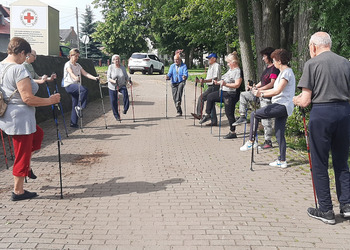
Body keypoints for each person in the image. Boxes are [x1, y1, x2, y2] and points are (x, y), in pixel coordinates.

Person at [293, 32, 350, 225]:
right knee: (342, 161)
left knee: (319, 162)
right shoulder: (345, 63)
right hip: (344, 113)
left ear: (314, 46)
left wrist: (297, 100)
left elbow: (306, 100)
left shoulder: (313, 64)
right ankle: (347, 205)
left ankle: (325, 209)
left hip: (322, 113)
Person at [0, 37, 61, 201]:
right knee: (22, 154)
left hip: (9, 116)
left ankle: (26, 168)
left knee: (38, 135)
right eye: (25, 55)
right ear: (20, 53)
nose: (25, 59)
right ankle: (18, 191)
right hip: (20, 119)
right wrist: (50, 101)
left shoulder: (1, 66)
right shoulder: (18, 69)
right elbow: (27, 98)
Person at [240, 49, 295, 169]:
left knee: (255, 115)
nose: (273, 63)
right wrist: (260, 91)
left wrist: (261, 94)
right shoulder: (283, 72)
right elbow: (273, 89)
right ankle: (282, 160)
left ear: (279, 61)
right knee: (279, 133)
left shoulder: (286, 73)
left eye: (274, 60)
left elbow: (277, 91)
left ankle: (251, 141)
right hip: (282, 105)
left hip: (282, 105)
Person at [233, 47, 279, 149]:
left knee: (266, 119)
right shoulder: (267, 68)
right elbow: (262, 82)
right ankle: (242, 116)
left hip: (267, 96)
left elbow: (272, 83)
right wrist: (254, 87)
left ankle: (268, 141)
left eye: (264, 56)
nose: (263, 58)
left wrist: (260, 90)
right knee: (244, 95)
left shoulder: (274, 68)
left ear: (269, 56)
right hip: (259, 93)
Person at [199, 52, 242, 139]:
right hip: (223, 92)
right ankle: (207, 114)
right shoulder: (230, 70)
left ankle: (232, 132)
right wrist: (218, 82)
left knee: (229, 113)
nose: (228, 64)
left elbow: (237, 85)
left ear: (233, 62)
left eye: (229, 62)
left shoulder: (237, 71)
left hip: (231, 94)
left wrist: (225, 84)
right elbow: (223, 79)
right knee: (210, 97)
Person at [62, 48, 99, 128]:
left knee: (74, 104)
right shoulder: (68, 64)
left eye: (78, 56)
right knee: (84, 90)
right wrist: (75, 78)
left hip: (76, 87)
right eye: (76, 56)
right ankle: (80, 107)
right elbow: (70, 72)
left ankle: (73, 123)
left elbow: (85, 73)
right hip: (69, 85)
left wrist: (95, 78)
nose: (77, 58)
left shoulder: (78, 65)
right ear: (71, 56)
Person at [191, 53, 221, 126]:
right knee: (211, 102)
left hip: (214, 86)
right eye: (208, 58)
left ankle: (199, 114)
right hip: (210, 86)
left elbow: (215, 78)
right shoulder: (211, 66)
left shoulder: (216, 66)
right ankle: (214, 121)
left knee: (201, 98)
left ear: (214, 58)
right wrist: (200, 81)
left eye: (210, 58)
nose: (208, 60)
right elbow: (208, 78)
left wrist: (204, 81)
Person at [107, 54, 130, 121]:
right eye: (115, 59)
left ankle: (125, 109)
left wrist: (128, 81)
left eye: (118, 59)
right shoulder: (110, 67)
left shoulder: (122, 67)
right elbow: (108, 78)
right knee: (113, 101)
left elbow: (126, 76)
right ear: (113, 60)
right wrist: (113, 81)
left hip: (121, 85)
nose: (117, 60)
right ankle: (116, 116)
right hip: (112, 86)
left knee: (125, 94)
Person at [166, 52, 188, 116]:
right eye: (175, 59)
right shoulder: (172, 66)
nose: (176, 61)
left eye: (177, 59)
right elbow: (170, 73)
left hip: (181, 81)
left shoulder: (184, 66)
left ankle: (178, 101)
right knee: (174, 97)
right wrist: (168, 76)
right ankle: (179, 111)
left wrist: (185, 76)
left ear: (180, 59)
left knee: (179, 93)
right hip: (174, 83)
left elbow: (185, 73)